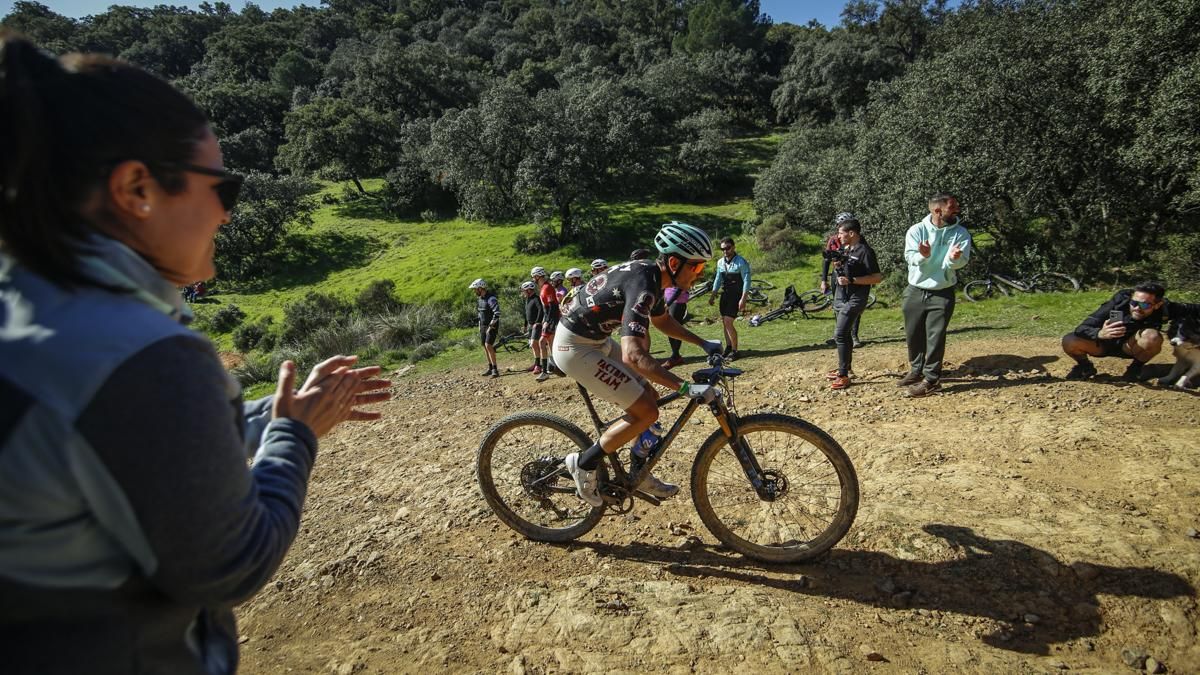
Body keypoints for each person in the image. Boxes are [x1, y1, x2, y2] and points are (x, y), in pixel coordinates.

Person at [0, 33, 392, 674]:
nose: (228, 216)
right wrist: (294, 436)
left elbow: (121, 449)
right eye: (222, 188)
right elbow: (227, 564)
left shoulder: (32, 311)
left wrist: (270, 414)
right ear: (137, 188)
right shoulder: (142, 354)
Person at [557, 222, 723, 505]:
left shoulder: (653, 277)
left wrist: (702, 342)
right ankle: (583, 463)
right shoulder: (645, 285)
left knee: (650, 400)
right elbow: (633, 355)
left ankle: (638, 471)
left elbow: (662, 321)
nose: (700, 274)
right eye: (695, 267)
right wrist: (686, 388)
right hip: (575, 347)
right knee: (646, 411)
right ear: (673, 262)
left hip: (593, 340)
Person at [899, 193, 971, 397]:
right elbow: (909, 257)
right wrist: (923, 255)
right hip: (915, 290)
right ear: (937, 210)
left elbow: (960, 261)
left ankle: (931, 379)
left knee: (936, 336)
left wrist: (954, 259)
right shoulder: (917, 230)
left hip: (942, 292)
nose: (957, 210)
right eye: (952, 207)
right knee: (913, 334)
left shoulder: (961, 233)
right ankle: (916, 370)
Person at [1061, 282, 1200, 382]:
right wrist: (1099, 333)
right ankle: (1085, 367)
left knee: (1152, 337)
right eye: (1134, 303)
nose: (1137, 308)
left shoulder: (1167, 309)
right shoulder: (1118, 303)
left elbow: (1195, 309)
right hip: (1103, 344)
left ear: (1158, 305)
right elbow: (1082, 328)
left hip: (1132, 347)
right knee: (1069, 340)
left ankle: (1134, 370)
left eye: (1145, 305)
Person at [823, 215, 882, 390]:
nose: (838, 236)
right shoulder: (848, 249)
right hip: (843, 297)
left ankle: (843, 376)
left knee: (839, 334)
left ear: (851, 233)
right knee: (845, 334)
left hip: (856, 299)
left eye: (841, 233)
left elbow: (877, 277)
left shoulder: (865, 251)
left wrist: (852, 280)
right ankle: (845, 367)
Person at [821, 218, 863, 349]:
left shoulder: (857, 241)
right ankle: (839, 333)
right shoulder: (833, 239)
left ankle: (854, 335)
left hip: (852, 274)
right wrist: (824, 280)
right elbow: (826, 260)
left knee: (853, 305)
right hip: (837, 274)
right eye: (838, 225)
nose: (839, 229)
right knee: (838, 303)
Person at [708, 236, 751, 360]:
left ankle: (735, 350)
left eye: (728, 248)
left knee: (728, 322)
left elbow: (747, 281)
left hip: (736, 295)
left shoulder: (741, 262)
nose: (725, 251)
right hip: (725, 294)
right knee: (724, 322)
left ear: (733, 247)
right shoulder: (720, 262)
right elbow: (718, 278)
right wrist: (713, 294)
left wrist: (743, 298)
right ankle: (728, 346)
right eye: (723, 249)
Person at [532, 265, 562, 382]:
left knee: (542, 342)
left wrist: (547, 321)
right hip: (550, 318)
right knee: (550, 343)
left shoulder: (547, 288)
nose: (533, 279)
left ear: (538, 276)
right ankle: (555, 366)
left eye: (534, 277)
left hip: (552, 318)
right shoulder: (544, 287)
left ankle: (544, 371)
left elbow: (552, 306)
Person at [470, 278, 500, 378]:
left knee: (488, 345)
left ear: (480, 288)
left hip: (492, 325)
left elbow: (497, 313)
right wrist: (480, 326)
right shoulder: (480, 299)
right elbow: (480, 314)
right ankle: (490, 367)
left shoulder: (491, 299)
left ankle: (495, 369)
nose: (474, 291)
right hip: (483, 325)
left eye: (475, 289)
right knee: (484, 346)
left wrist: (491, 326)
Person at [661, 283, 691, 369]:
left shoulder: (680, 273)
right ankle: (675, 354)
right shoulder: (670, 272)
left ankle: (675, 355)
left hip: (677, 303)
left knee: (675, 328)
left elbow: (679, 289)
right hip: (668, 301)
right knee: (668, 328)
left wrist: (668, 304)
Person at [522, 279, 544, 374]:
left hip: (536, 325)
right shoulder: (528, 300)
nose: (523, 292)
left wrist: (538, 322)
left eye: (524, 290)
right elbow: (526, 314)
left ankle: (539, 366)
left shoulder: (536, 298)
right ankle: (536, 363)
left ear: (529, 290)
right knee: (533, 345)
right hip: (530, 325)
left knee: (535, 343)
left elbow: (541, 310)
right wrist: (525, 325)